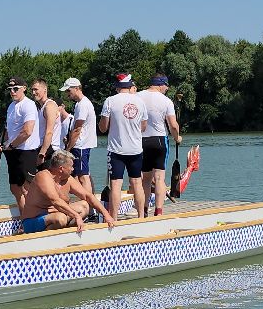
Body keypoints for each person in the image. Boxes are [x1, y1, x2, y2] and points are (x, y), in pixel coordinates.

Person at [17, 150, 111, 235]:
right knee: (60, 218)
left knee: (84, 205)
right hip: (33, 221)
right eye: (71, 166)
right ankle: (44, 240)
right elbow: (55, 201)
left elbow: (87, 195)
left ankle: (68, 233)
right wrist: (76, 216)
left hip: (58, 215)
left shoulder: (67, 179)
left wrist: (106, 214)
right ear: (61, 169)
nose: (73, 169)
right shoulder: (43, 176)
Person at [101, 73, 148, 221]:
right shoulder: (140, 102)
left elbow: (103, 128)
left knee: (116, 184)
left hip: (116, 150)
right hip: (135, 149)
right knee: (137, 183)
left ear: (117, 87)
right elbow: (144, 127)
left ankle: (113, 219)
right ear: (129, 86)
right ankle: (141, 216)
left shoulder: (110, 101)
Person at [136, 74, 181, 216]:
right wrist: (177, 138)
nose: (166, 90)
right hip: (159, 140)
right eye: (166, 87)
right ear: (161, 84)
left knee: (146, 179)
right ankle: (159, 211)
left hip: (140, 141)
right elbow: (173, 126)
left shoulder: (137, 96)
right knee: (160, 178)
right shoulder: (166, 101)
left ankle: (143, 211)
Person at [1, 77, 42, 205]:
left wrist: (11, 146)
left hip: (26, 152)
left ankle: (33, 221)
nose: (12, 92)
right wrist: (3, 145)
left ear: (24, 88)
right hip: (13, 151)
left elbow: (27, 131)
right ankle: (25, 221)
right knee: (15, 188)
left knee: (26, 189)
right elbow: (9, 129)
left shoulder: (28, 105)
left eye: (15, 89)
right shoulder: (11, 106)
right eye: (10, 89)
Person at [61, 77, 97, 195]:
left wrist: (67, 150)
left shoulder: (82, 105)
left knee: (83, 176)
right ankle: (88, 203)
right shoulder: (79, 104)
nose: (67, 94)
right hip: (81, 144)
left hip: (81, 145)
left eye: (68, 91)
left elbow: (77, 129)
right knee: (81, 174)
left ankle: (89, 207)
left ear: (77, 88)